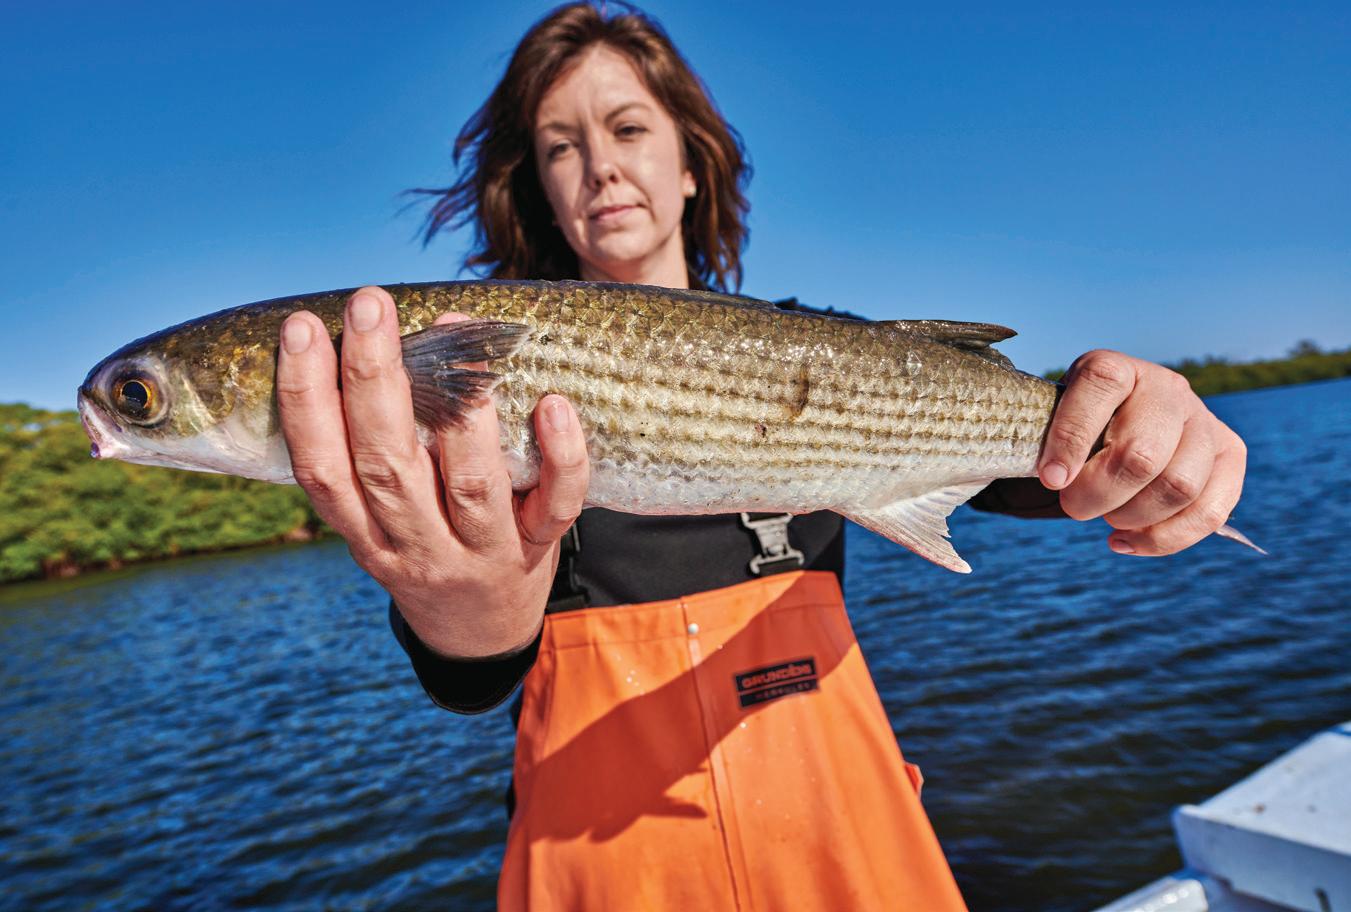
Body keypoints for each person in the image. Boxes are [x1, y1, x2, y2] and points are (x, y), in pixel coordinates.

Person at [273, 3, 1249, 908]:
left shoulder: (829, 346)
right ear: (539, 187)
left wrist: (1135, 437)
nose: (598, 167)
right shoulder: (475, 385)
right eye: (559, 147)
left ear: (690, 164)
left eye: (627, 128)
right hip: (603, 868)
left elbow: (1027, 472)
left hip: (846, 843)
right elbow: (471, 677)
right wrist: (464, 616)